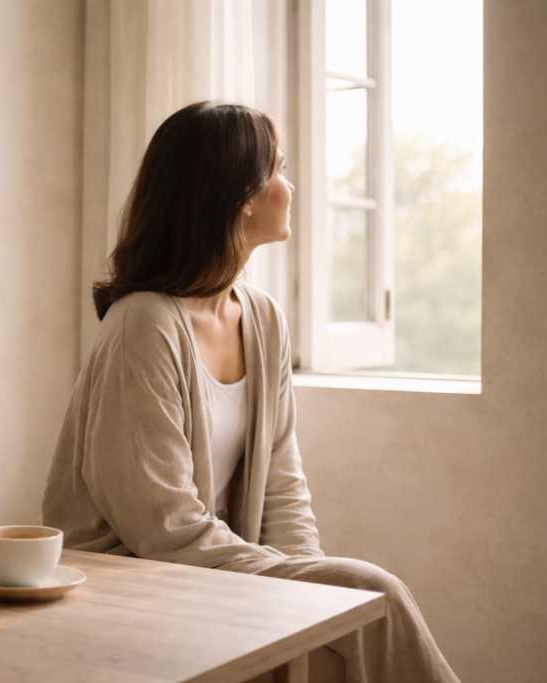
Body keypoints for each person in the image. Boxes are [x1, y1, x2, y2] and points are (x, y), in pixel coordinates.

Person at [41, 102, 459, 683]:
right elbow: (162, 525)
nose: (289, 186)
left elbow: (283, 490)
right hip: (129, 581)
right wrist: (295, 585)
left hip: (203, 569)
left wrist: (309, 594)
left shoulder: (262, 318)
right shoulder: (143, 325)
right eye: (278, 170)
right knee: (373, 591)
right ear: (241, 196)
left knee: (347, 616)